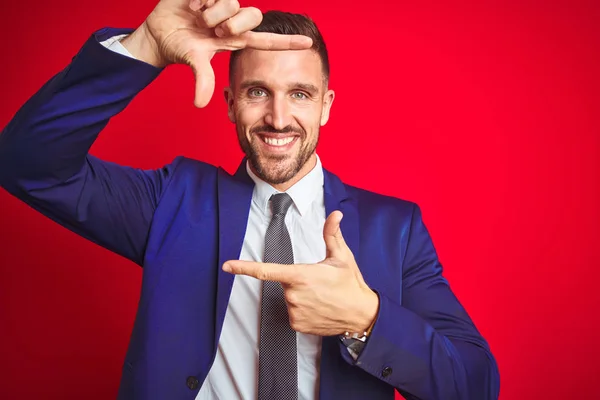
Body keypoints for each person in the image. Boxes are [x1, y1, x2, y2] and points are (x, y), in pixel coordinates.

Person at [0, 0, 500, 399]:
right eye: (258, 92)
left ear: (325, 106)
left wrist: (366, 318)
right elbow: (27, 163)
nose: (279, 118)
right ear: (231, 103)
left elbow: (475, 384)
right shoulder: (172, 200)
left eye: (300, 94)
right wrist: (145, 46)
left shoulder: (396, 229)